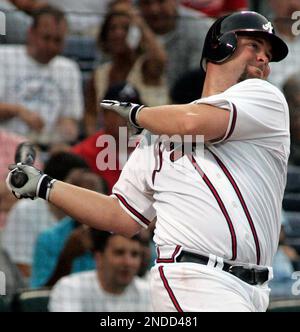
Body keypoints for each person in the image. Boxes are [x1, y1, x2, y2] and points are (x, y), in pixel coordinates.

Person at [6, 11, 290, 312]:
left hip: (255, 289)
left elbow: (192, 122)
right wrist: (43, 185)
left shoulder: (265, 100)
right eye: (254, 46)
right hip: (193, 277)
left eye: (268, 55)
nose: (264, 60)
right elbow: (121, 216)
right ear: (222, 46)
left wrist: (139, 115)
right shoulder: (157, 136)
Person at [0, 6, 83, 146]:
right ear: (31, 33)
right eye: (46, 38)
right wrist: (18, 111)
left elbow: (71, 120)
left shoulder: (69, 68)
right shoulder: (4, 57)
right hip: (6, 144)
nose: (51, 46)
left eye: (57, 40)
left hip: (47, 146)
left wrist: (63, 133)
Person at [48, 229, 152, 312]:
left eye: (134, 255)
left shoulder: (148, 293)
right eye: (119, 253)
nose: (128, 262)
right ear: (99, 258)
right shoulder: (71, 288)